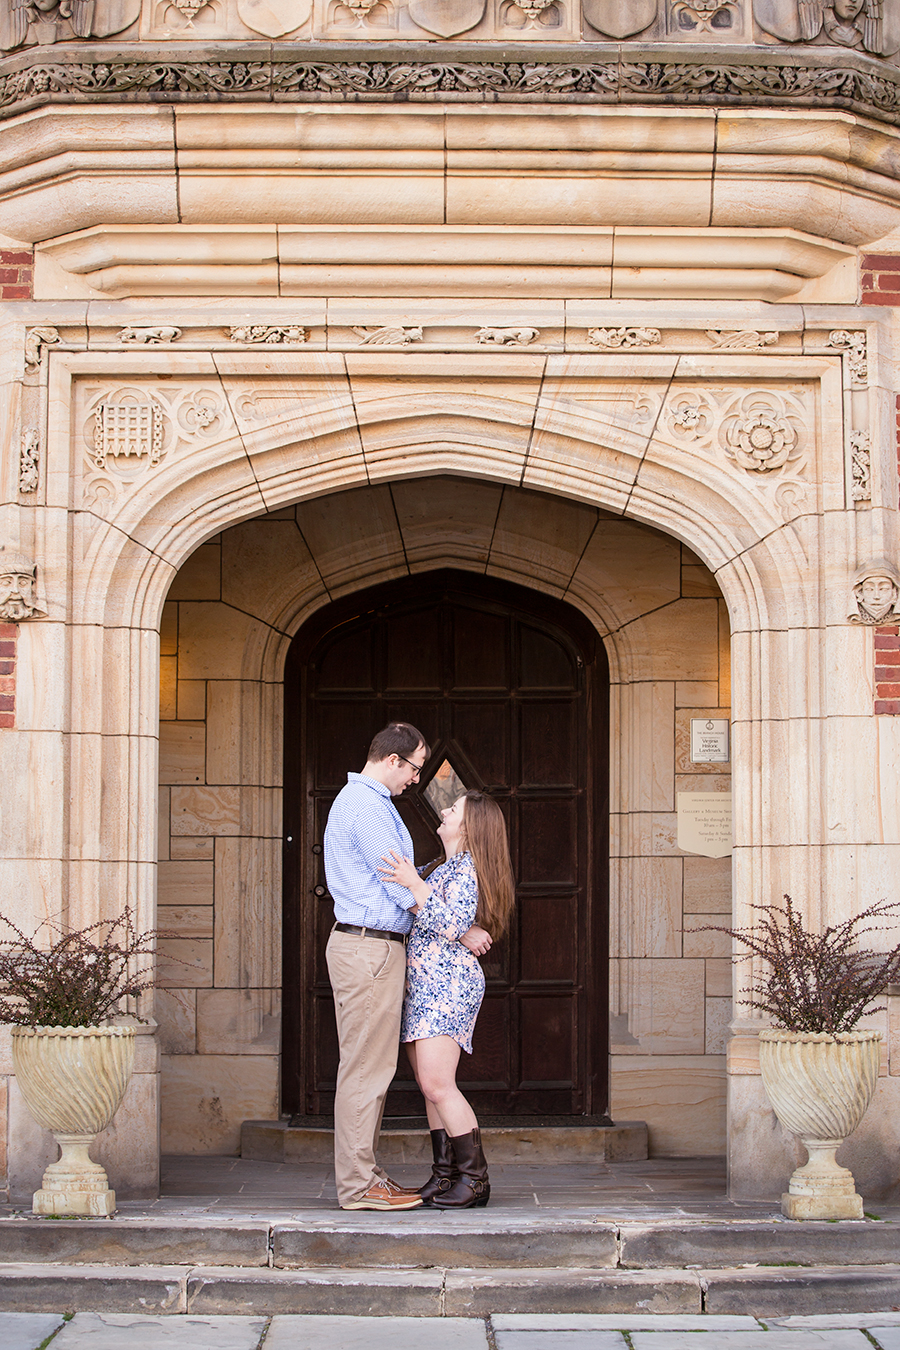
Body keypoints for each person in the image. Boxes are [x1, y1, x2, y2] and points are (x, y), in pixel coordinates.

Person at [323, 723, 492, 1211]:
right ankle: (359, 1184)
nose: (417, 780)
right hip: (369, 949)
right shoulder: (368, 807)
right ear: (394, 760)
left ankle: (374, 1177)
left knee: (377, 1070)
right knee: (366, 1071)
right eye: (416, 768)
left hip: (378, 950)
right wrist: (459, 928)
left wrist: (450, 918)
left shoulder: (371, 805)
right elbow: (402, 887)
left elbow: (413, 885)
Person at [380, 789, 515, 1209]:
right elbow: (435, 914)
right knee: (428, 1086)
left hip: (448, 985)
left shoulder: (467, 869)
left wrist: (419, 888)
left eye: (452, 808)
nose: (443, 810)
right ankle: (444, 1175)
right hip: (425, 985)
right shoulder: (444, 866)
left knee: (439, 1084)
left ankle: (475, 1180)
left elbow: (449, 917)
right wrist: (422, 888)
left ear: (470, 826)